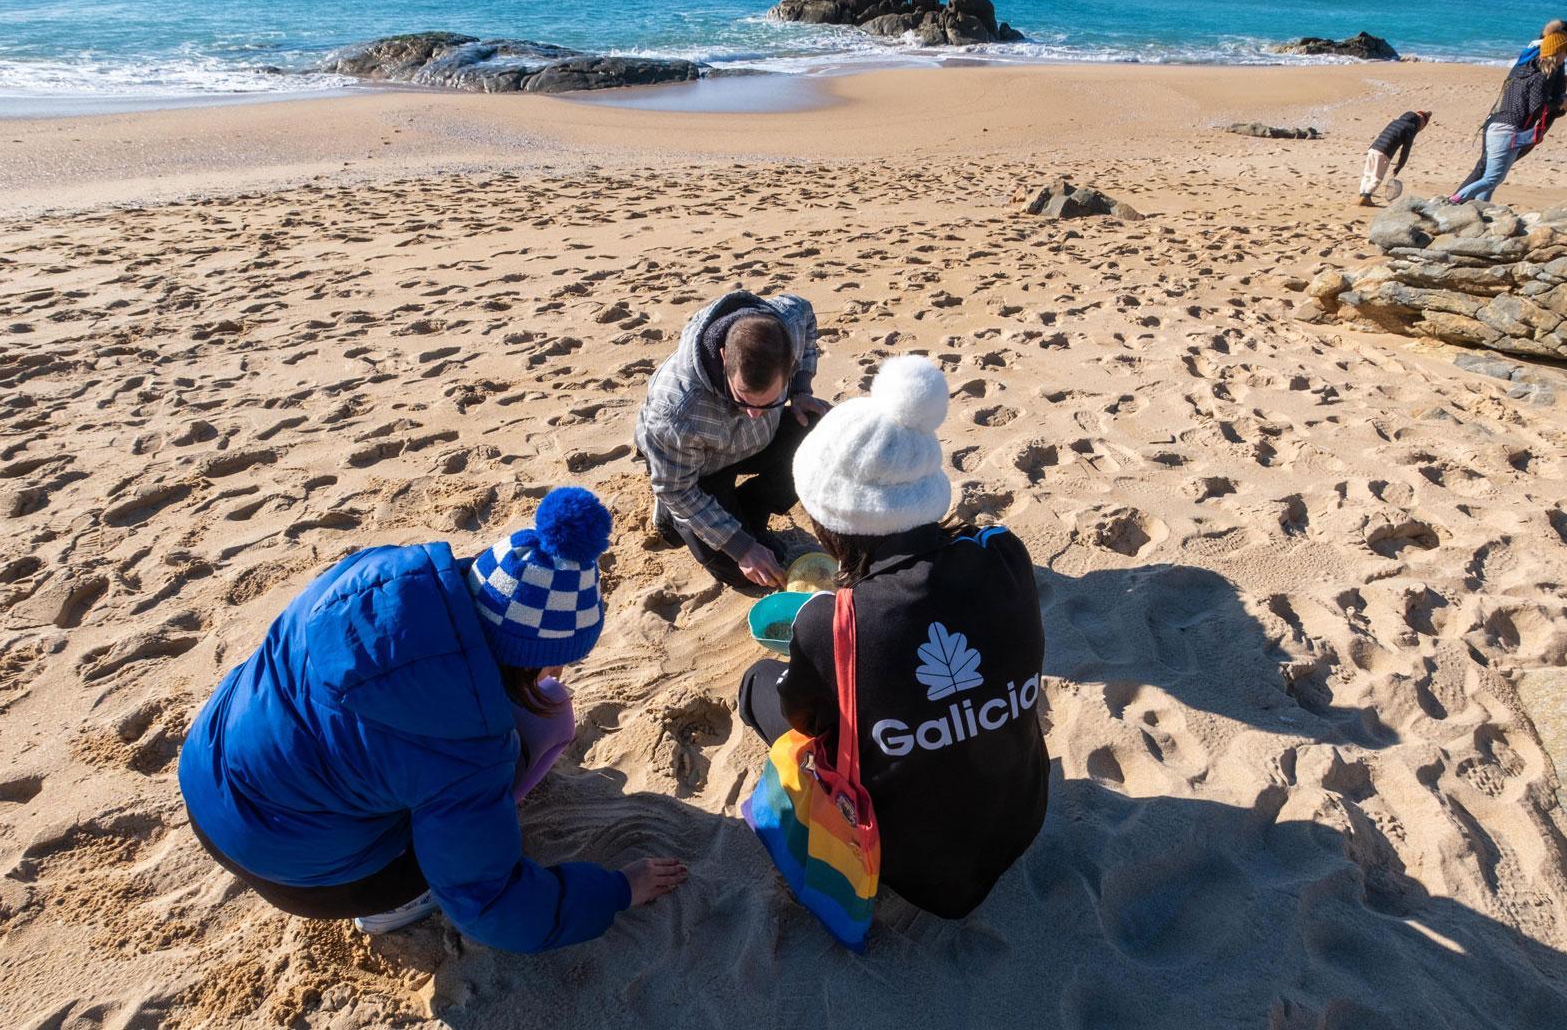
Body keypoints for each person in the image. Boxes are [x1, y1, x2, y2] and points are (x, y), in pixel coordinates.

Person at [178, 488, 687, 946]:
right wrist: (617, 889)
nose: (557, 670)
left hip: (208, 768)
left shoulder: (378, 574)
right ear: (530, 657)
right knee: (525, 743)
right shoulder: (464, 751)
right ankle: (393, 906)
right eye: (560, 657)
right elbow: (495, 905)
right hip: (293, 872)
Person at [736, 355, 1049, 919]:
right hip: (1022, 817)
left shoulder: (831, 620)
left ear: (833, 520)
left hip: (906, 861)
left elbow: (808, 720)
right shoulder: (1005, 554)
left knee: (758, 687)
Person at [635, 290, 829, 595]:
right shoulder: (674, 410)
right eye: (742, 399)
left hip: (754, 444)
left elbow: (804, 310)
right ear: (725, 357)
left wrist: (801, 390)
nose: (753, 414)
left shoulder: (786, 324)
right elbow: (676, 488)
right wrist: (741, 548)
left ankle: (752, 507)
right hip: (699, 469)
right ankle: (673, 520)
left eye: (767, 401)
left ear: (788, 362)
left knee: (819, 427)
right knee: (746, 573)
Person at [1451, 32, 1567, 204]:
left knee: (1492, 178)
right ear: (1557, 51)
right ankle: (1453, 201)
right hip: (1508, 130)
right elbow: (1537, 108)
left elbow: (1531, 101)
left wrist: (1558, 98)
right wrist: (1561, 103)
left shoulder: (1523, 69)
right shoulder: (1541, 75)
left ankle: (1480, 208)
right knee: (1491, 179)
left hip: (1496, 125)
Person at [1359, 109, 1431, 206]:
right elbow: (1406, 149)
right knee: (1377, 177)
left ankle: (1361, 194)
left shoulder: (1395, 122)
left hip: (1373, 148)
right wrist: (1399, 166)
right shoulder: (1411, 127)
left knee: (1367, 174)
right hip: (1384, 152)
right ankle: (1366, 197)